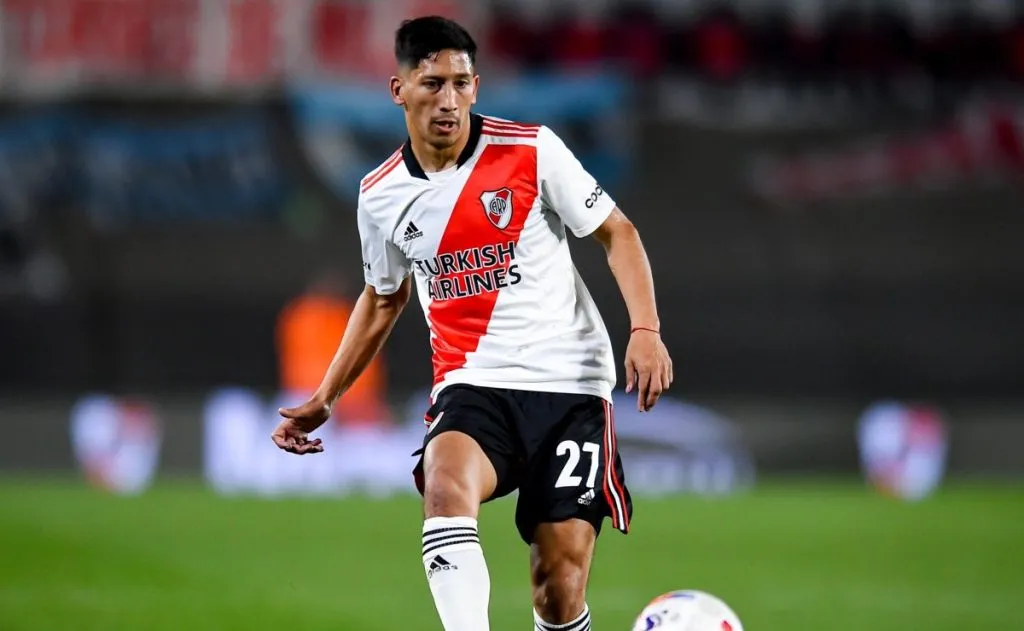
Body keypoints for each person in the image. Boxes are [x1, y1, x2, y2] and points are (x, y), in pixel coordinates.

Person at [271, 16, 672, 631]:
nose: (448, 100)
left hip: (569, 385)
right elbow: (383, 298)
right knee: (445, 485)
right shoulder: (379, 196)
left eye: (461, 83)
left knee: (557, 586)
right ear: (399, 90)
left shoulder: (531, 149)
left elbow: (619, 233)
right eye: (432, 84)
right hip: (471, 383)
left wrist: (644, 330)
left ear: (477, 86)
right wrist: (326, 396)